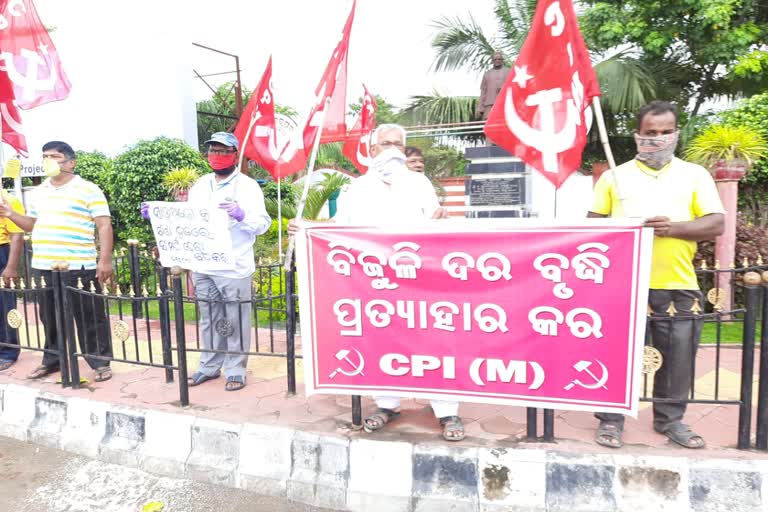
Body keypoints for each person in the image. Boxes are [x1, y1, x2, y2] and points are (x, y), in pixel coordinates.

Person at [289, 124, 464, 441]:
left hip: (418, 282)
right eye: (386, 143)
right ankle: (387, 404)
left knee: (432, 343)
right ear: (372, 150)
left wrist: (441, 218)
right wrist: (304, 228)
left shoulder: (418, 183)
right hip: (374, 284)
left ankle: (447, 411)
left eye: (399, 143)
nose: (393, 149)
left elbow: (436, 221)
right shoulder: (357, 189)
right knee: (382, 341)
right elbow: (337, 230)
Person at [589, 101, 725, 449]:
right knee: (617, 355)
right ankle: (610, 419)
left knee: (677, 359)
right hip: (623, 285)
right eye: (650, 133)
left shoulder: (695, 175)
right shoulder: (613, 177)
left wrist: (673, 228)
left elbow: (716, 223)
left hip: (678, 285)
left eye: (665, 133)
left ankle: (670, 420)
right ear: (637, 135)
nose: (658, 139)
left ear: (677, 133)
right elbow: (593, 227)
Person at [142, 132, 270, 391]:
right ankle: (209, 365)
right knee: (209, 318)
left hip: (233, 266)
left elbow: (263, 224)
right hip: (204, 265)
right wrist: (158, 216)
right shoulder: (201, 185)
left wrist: (242, 215)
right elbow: (190, 219)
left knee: (235, 320)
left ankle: (235, 369)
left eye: (223, 151)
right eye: (213, 150)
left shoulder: (247, 186)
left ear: (235, 155)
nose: (217, 156)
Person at [0, 141, 115, 382]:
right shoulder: (39, 192)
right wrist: (11, 215)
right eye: (44, 157)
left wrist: (104, 260)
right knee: (49, 317)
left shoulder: (88, 189)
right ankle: (52, 360)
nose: (48, 161)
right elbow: (32, 224)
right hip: (44, 264)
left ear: (71, 163)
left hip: (79, 264)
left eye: (54, 157)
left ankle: (99, 362)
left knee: (89, 316)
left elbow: (103, 225)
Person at [0, 190, 25, 371]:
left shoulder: (8, 200)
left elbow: (17, 235)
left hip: (2, 250)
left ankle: (8, 351)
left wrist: (10, 267)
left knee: (4, 305)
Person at [475, 52, 510, 121]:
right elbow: (483, 92)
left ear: (502, 60)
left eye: (499, 59)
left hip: (506, 104)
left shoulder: (509, 72)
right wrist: (480, 108)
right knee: (489, 125)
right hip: (490, 105)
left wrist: (504, 89)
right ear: (492, 61)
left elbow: (514, 87)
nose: (497, 61)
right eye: (495, 59)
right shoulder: (487, 74)